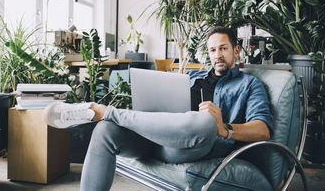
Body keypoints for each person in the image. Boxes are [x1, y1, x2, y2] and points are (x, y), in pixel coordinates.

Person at [43, 26, 273, 191]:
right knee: (105, 131)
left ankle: (107, 111)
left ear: (236, 51)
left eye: (223, 48)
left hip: (189, 145)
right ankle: (106, 115)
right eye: (213, 50)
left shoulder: (249, 85)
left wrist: (224, 129)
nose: (217, 55)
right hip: (155, 137)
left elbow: (263, 130)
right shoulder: (192, 76)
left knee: (205, 121)